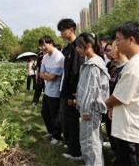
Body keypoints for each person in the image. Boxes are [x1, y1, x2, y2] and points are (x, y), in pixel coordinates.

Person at [105, 21, 139, 166]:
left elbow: (119, 98)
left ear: (131, 40)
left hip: (128, 130)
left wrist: (104, 104)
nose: (116, 44)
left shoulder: (133, 67)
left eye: (119, 39)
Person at [75, 33, 110, 166]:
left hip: (90, 110)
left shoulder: (93, 65)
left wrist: (86, 111)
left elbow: (92, 90)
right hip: (88, 109)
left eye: (79, 47)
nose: (77, 50)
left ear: (88, 46)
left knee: (91, 142)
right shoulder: (91, 62)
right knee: (91, 139)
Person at [57, 18, 84, 159]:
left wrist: (73, 96)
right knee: (66, 121)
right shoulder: (67, 48)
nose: (61, 33)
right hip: (65, 90)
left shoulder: (79, 46)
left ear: (72, 29)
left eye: (63, 30)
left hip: (72, 92)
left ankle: (76, 152)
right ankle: (71, 144)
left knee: (73, 122)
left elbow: (77, 73)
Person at [105, 40, 128, 163]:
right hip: (113, 110)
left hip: (124, 115)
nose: (111, 51)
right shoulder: (116, 68)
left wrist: (109, 104)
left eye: (114, 47)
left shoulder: (128, 68)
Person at [39, 35, 64, 145]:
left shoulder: (58, 56)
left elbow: (53, 77)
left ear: (51, 43)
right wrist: (46, 75)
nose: (42, 47)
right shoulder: (45, 57)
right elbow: (40, 73)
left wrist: (46, 75)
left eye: (44, 44)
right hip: (47, 90)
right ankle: (51, 131)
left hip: (56, 92)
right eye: (41, 45)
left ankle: (57, 137)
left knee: (55, 116)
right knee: (45, 113)